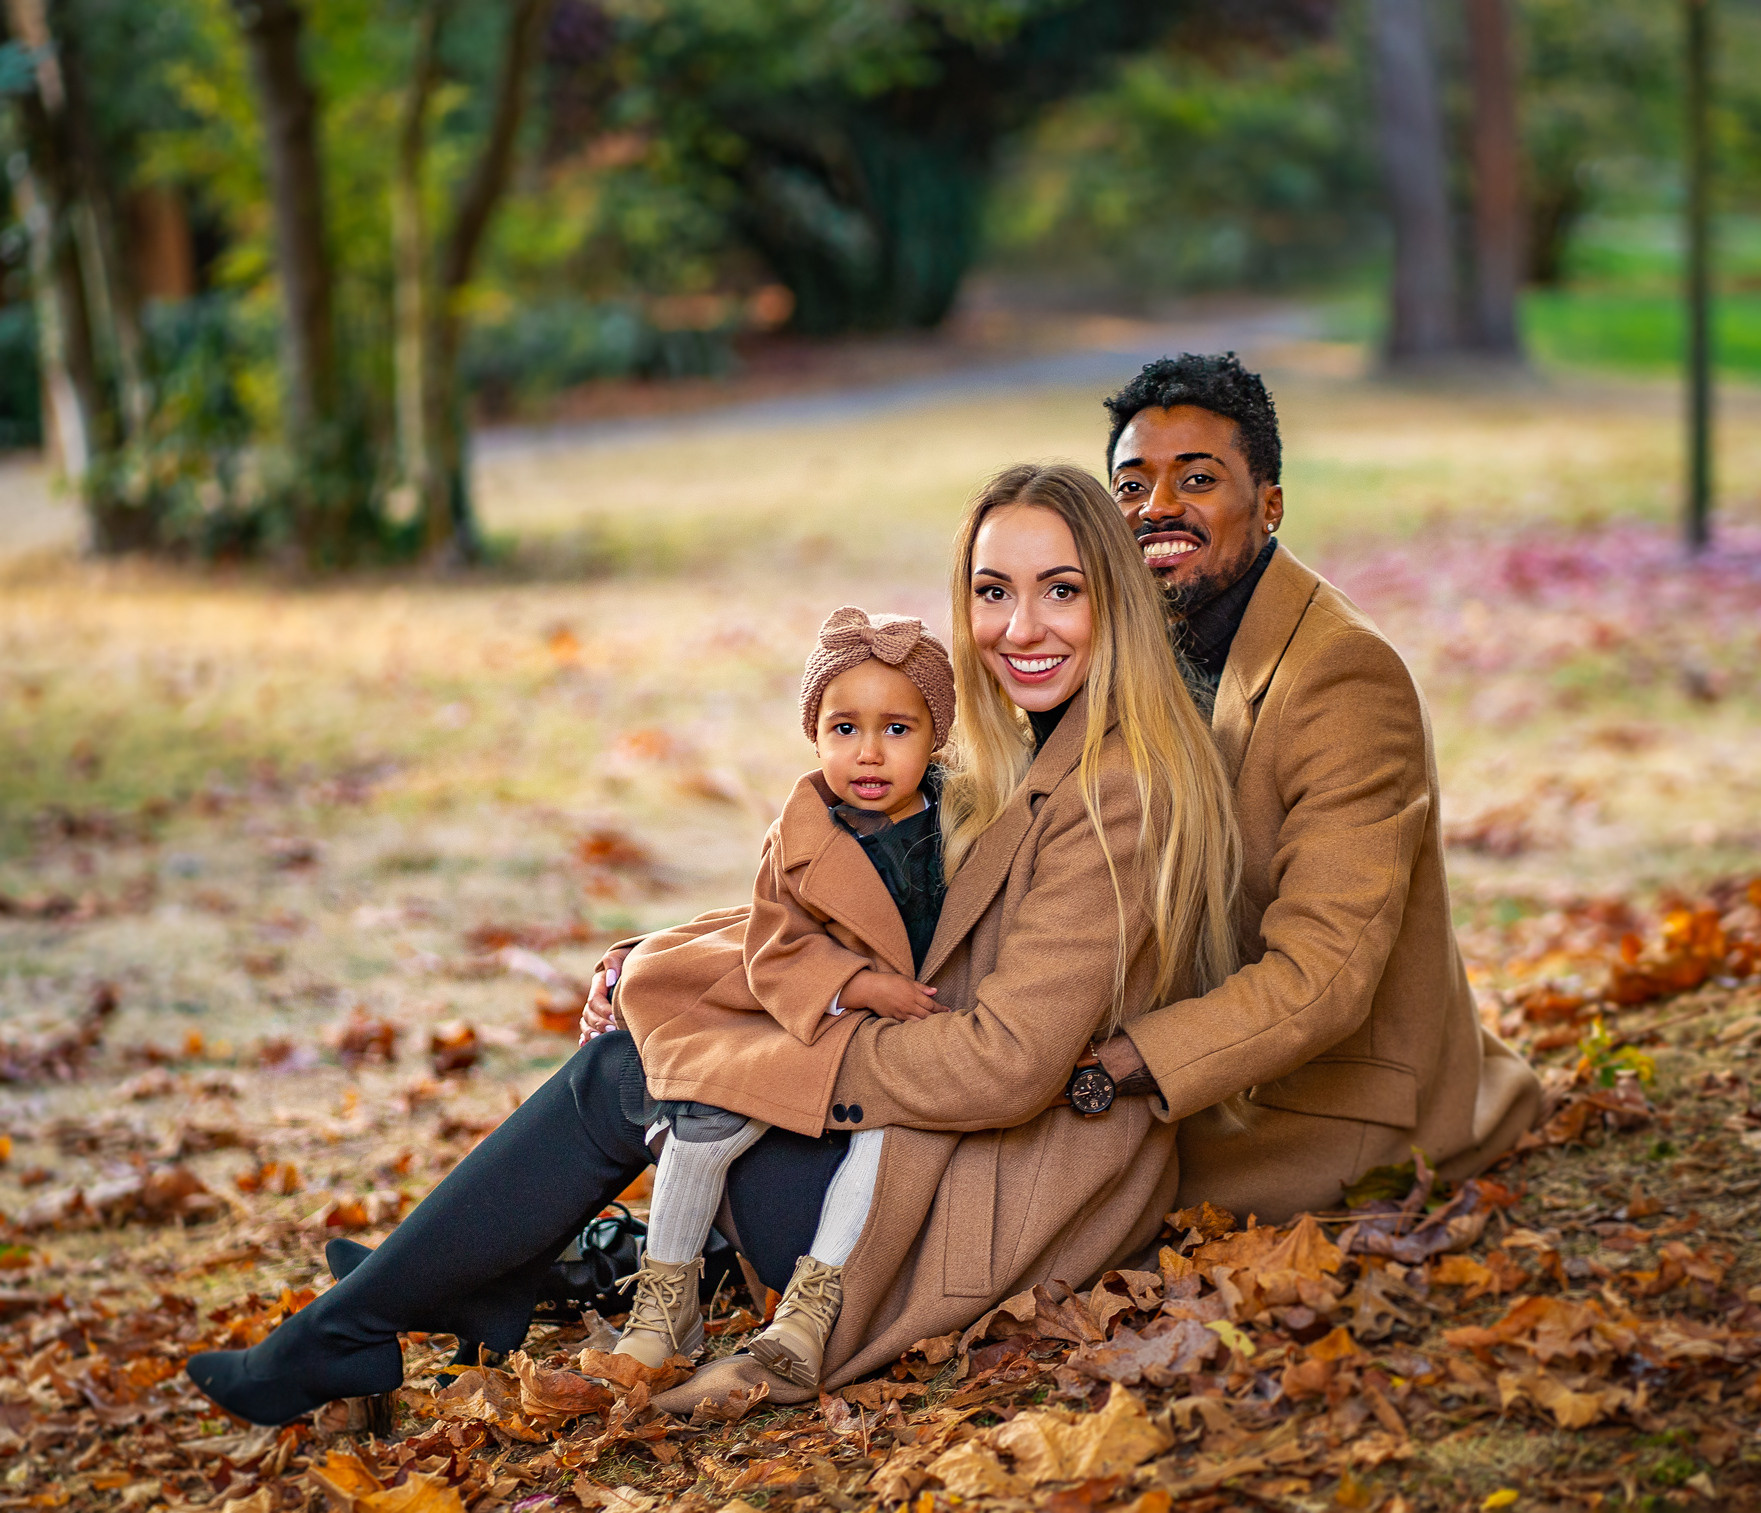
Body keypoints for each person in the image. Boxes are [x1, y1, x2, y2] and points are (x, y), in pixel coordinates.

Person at [183, 462, 1240, 1426]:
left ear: (1112, 599)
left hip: (979, 1205)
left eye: (1060, 589)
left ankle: (370, 1321)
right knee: (653, 1049)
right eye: (992, 590)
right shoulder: (1015, 747)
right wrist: (656, 959)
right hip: (933, 1148)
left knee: (635, 1073)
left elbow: (1005, 1063)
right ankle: (433, 1287)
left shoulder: (1119, 793)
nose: (1021, 625)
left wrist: (780, 1060)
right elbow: (856, 920)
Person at [1084, 352, 1543, 1220]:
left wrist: (1121, 1063)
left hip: (1315, 1099)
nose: (1157, 508)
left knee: (1040, 1184)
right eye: (1131, 485)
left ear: (1270, 505)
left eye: (1198, 478)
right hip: (1197, 1045)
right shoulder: (1123, 640)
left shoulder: (1343, 677)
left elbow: (1321, 978)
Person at [606, 606, 958, 1391]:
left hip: (915, 1039)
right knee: (705, 1122)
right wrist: (859, 983)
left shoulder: (961, 827)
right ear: (816, 735)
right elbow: (776, 946)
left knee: (887, 1143)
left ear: (937, 737)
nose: (868, 752)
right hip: (815, 1018)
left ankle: (810, 1308)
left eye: (898, 730)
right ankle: (666, 1303)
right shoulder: (797, 837)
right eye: (843, 729)